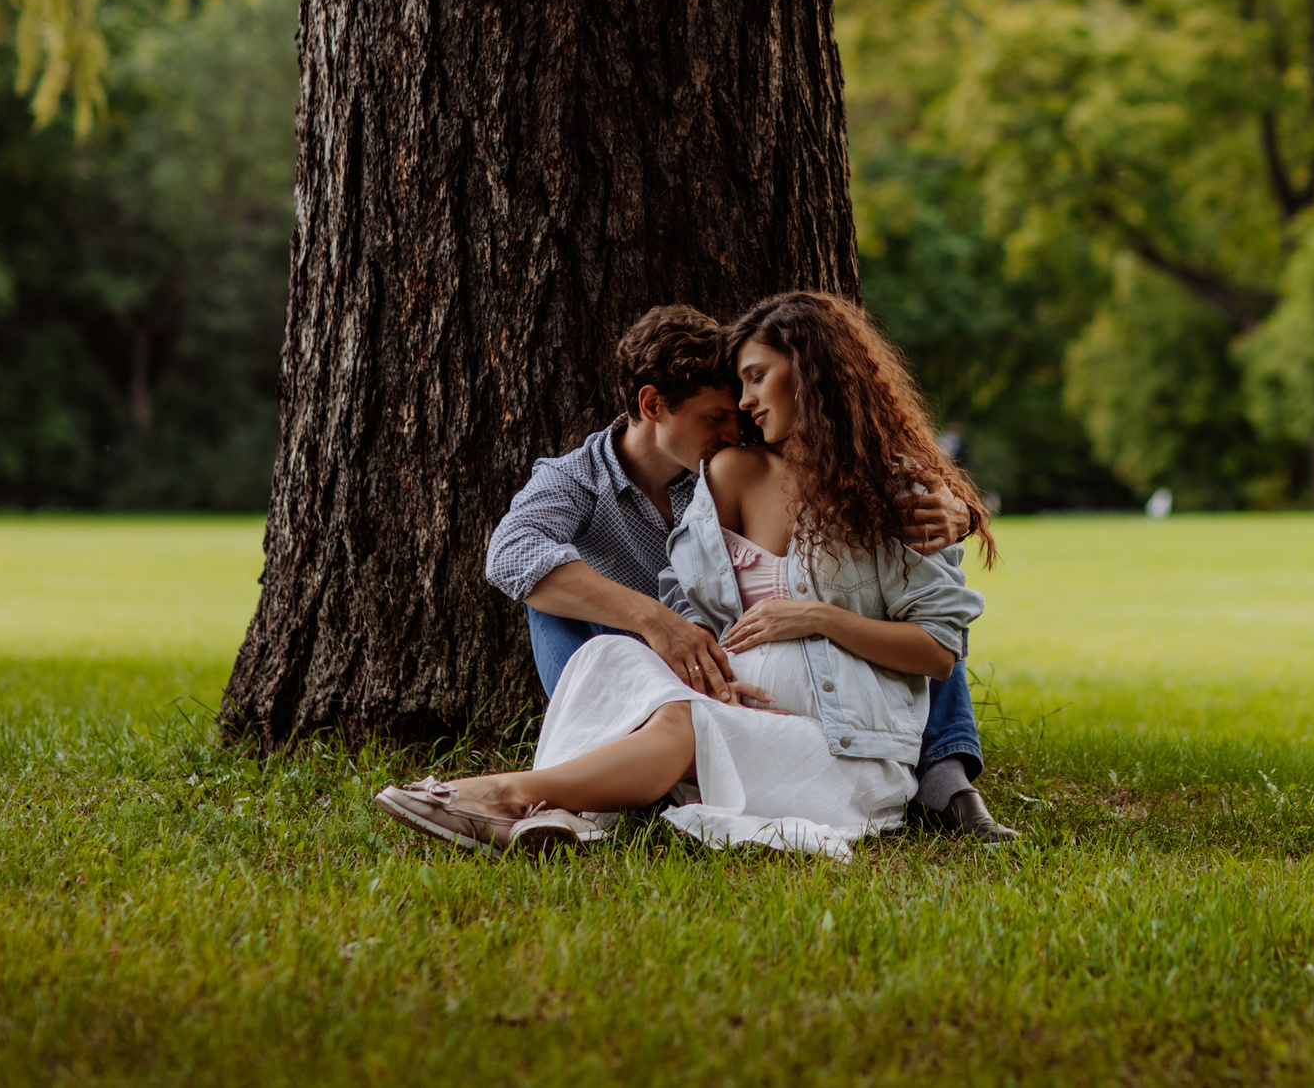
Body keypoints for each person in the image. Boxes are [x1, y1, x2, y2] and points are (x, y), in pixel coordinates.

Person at [378, 292, 993, 859]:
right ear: (652, 406)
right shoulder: (598, 480)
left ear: (809, 374)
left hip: (827, 730)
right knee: (581, 629)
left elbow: (939, 644)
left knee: (685, 720)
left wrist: (958, 513)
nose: (738, 421)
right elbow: (515, 554)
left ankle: (509, 796)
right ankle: (563, 798)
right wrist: (661, 624)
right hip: (688, 681)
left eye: (750, 390)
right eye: (719, 414)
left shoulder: (866, 484)